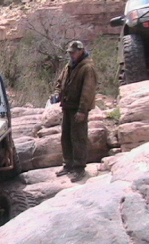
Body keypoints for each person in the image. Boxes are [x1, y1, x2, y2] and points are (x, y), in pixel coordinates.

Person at [53, 40, 97, 182]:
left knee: (78, 137)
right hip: (67, 106)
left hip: (78, 108)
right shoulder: (70, 66)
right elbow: (60, 81)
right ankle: (68, 164)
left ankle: (79, 168)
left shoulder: (87, 68)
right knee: (66, 137)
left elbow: (88, 91)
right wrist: (58, 92)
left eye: (73, 52)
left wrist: (82, 110)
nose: (71, 55)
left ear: (80, 51)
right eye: (70, 52)